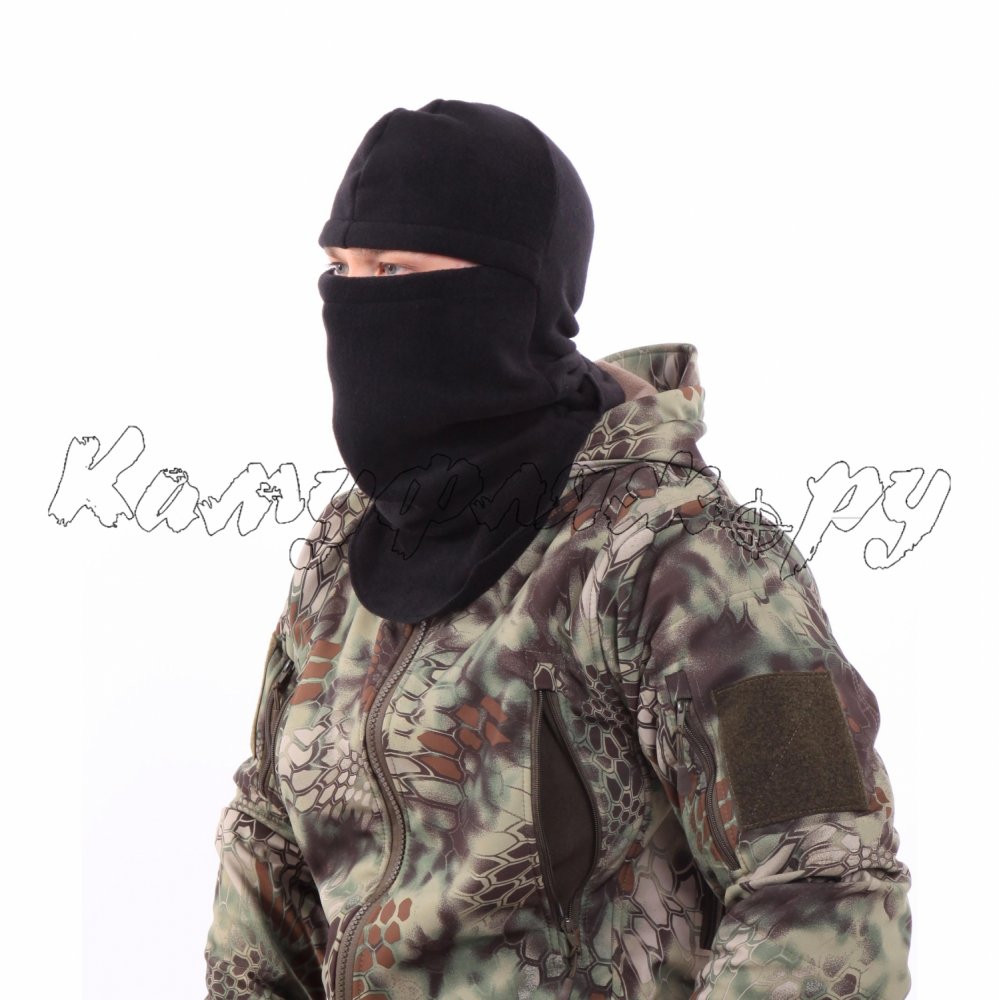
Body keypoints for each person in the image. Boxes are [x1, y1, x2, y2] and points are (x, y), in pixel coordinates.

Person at [203, 99, 912, 999]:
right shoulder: (346, 553)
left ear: (513, 291)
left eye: (394, 269)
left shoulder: (694, 562)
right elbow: (267, 847)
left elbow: (828, 885)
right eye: (341, 268)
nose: (356, 302)